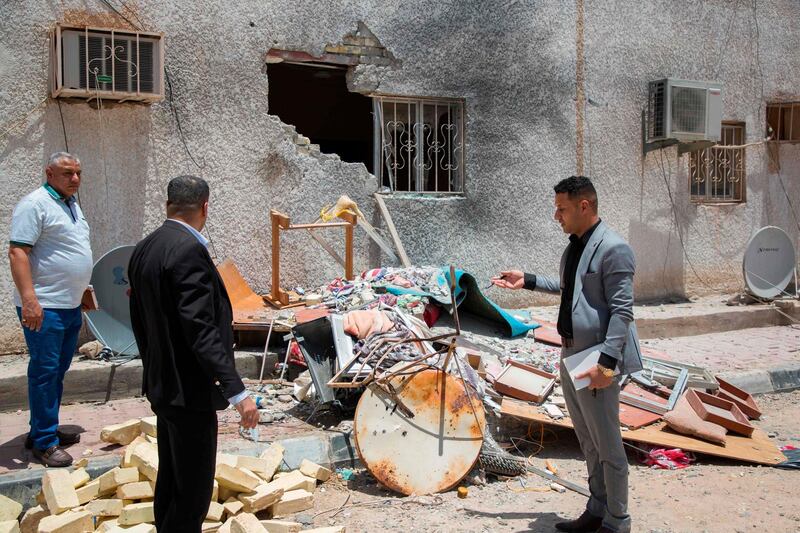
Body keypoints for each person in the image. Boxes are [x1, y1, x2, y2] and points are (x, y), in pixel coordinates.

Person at [492, 176, 642, 533]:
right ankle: (597, 507)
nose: (556, 215)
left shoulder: (614, 248)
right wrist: (526, 280)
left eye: (561, 208)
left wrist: (606, 365)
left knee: (608, 444)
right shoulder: (575, 246)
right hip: (571, 353)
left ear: (584, 206)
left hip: (597, 360)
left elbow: (623, 312)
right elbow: (568, 290)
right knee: (587, 440)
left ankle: (618, 521)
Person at [128, 175, 258, 532]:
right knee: (193, 495)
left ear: (168, 204)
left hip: (164, 387)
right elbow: (200, 330)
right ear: (205, 207)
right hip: (189, 394)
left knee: (171, 482)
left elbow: (139, 320)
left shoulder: (146, 247)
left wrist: (154, 368)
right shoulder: (186, 251)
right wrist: (238, 392)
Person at [8, 152, 92, 467]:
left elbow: (69, 252)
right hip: (44, 307)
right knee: (44, 372)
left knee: (57, 371)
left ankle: (43, 430)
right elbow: (18, 252)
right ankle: (44, 443)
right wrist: (29, 299)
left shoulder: (70, 205)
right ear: (49, 173)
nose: (75, 179)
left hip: (69, 305)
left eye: (78, 173)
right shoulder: (35, 204)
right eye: (67, 173)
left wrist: (82, 288)